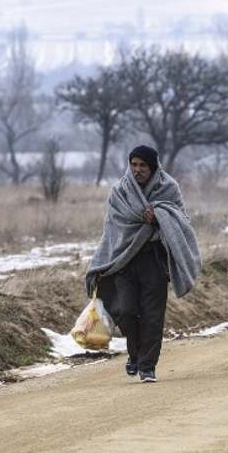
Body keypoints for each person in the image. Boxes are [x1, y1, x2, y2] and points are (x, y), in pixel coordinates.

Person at [86, 145, 202, 383]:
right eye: (134, 164)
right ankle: (135, 353)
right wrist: (101, 262)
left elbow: (182, 222)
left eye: (143, 166)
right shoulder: (119, 191)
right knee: (125, 311)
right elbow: (111, 230)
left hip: (154, 261)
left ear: (153, 167)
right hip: (124, 260)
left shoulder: (169, 189)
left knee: (152, 315)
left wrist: (159, 218)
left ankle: (147, 366)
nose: (137, 170)